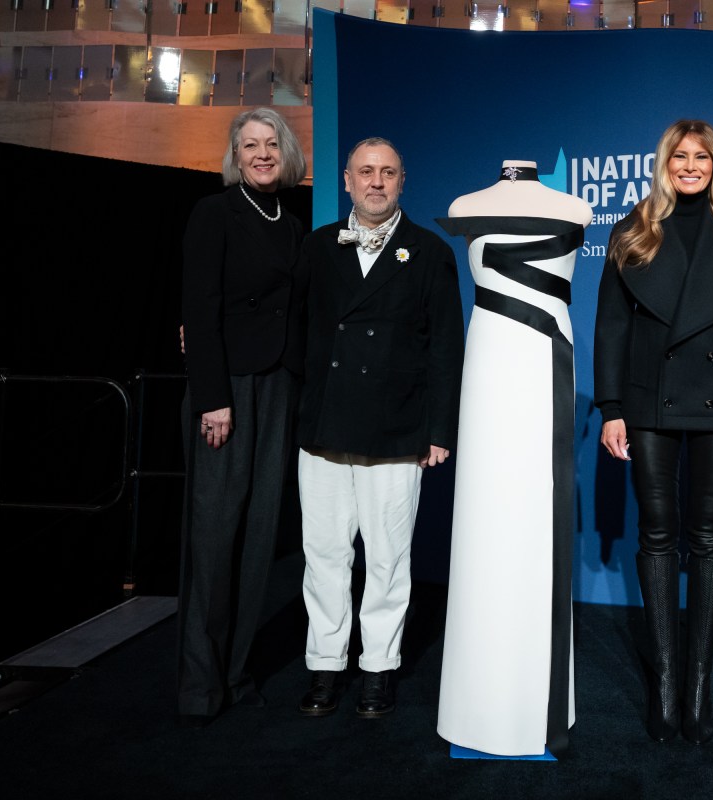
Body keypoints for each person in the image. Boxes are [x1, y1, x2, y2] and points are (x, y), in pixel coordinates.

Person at [594, 120, 713, 745]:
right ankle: (665, 684)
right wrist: (612, 406)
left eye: (703, 157)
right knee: (656, 534)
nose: (692, 166)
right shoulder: (634, 228)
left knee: (706, 535)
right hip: (648, 400)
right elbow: (612, 326)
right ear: (665, 162)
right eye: (681, 156)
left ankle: (697, 687)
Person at [294, 137, 464, 719]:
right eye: (365, 172)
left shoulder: (429, 251)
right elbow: (296, 336)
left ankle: (378, 668)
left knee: (388, 560)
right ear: (346, 181)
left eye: (386, 172)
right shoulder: (317, 249)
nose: (375, 181)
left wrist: (439, 430)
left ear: (402, 180)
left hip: (396, 431)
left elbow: (446, 349)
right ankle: (324, 666)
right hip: (324, 425)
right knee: (323, 555)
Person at [435, 161, 592, 757]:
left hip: (544, 363)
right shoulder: (467, 200)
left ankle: (534, 708)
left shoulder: (574, 208)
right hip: (490, 365)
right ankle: (480, 705)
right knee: (484, 523)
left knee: (536, 524)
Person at [176, 107, 308, 727]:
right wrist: (212, 398)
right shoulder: (214, 213)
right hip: (226, 390)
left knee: (258, 536)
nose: (261, 154)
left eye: (271, 143)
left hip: (277, 385)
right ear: (234, 154)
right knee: (213, 537)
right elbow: (198, 310)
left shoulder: (291, 218)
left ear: (285, 153)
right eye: (250, 145)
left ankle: (237, 673)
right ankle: (200, 688)